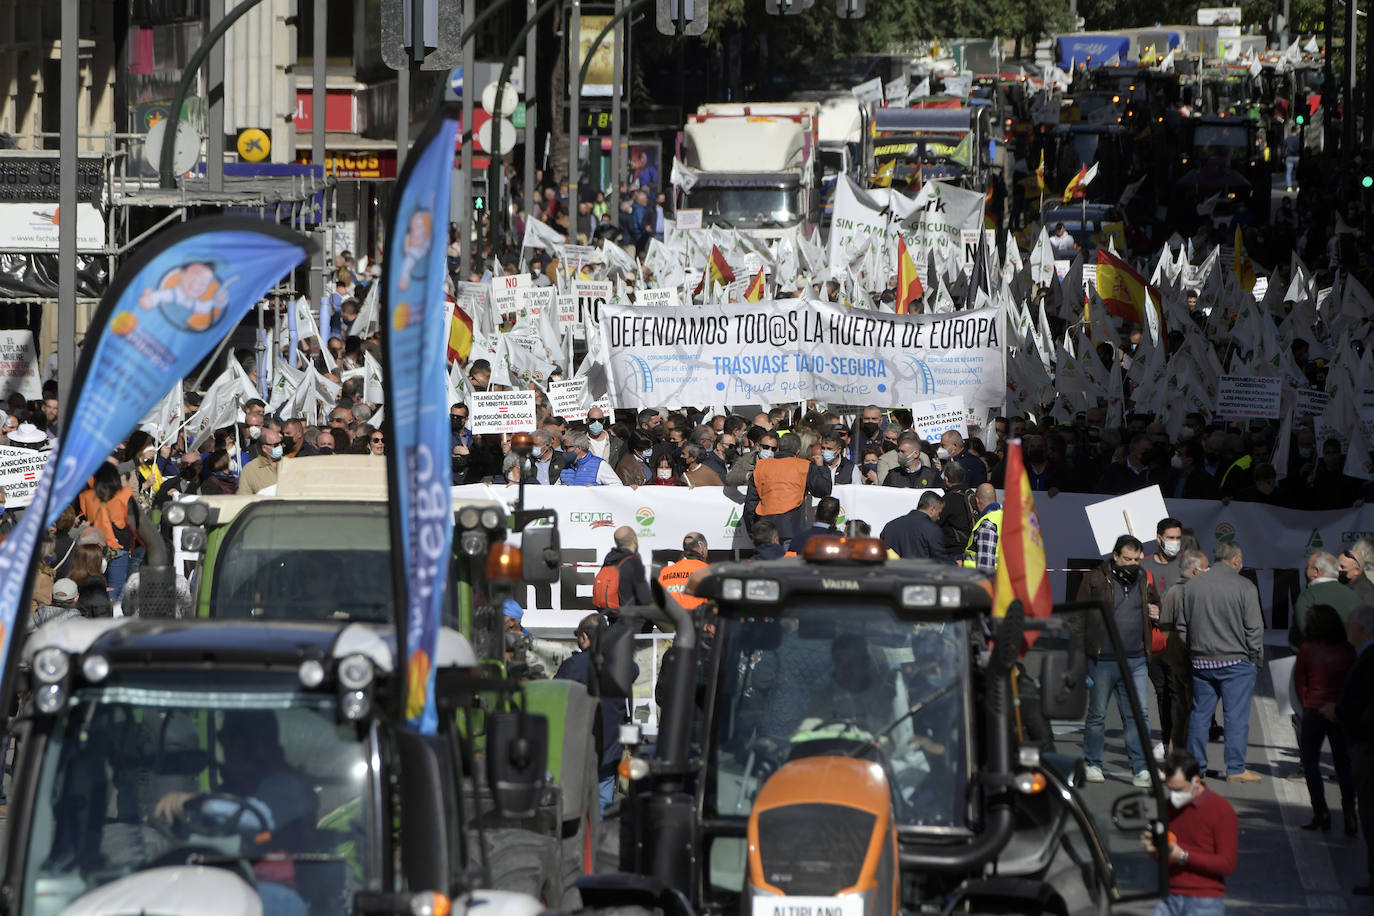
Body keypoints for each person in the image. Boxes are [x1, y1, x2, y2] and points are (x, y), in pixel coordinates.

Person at [1177, 541, 1264, 783]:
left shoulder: (1192, 586)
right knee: (1235, 717)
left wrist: (1194, 650)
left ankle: (1195, 768)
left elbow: (1182, 627)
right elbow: (1254, 628)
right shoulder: (1245, 586)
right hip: (1236, 662)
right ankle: (1235, 768)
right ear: (1236, 560)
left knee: (1199, 715)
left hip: (1201, 662)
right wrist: (1255, 658)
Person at [1077, 534, 1160, 786]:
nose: (1132, 564)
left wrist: (1157, 610)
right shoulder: (1095, 579)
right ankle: (1093, 762)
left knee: (1139, 714)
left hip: (1135, 660)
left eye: (1136, 559)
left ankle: (1141, 768)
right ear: (1115, 556)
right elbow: (1079, 617)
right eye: (1127, 558)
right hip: (1103, 660)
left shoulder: (1144, 578)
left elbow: (1155, 603)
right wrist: (1079, 656)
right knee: (1098, 714)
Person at [555, 614, 632, 817]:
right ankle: (598, 841)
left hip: (579, 748)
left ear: (585, 637)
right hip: (610, 748)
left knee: (574, 805)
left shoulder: (573, 665)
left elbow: (557, 698)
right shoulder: (619, 664)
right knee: (603, 803)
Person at [1145, 750, 1238, 915]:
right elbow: (1165, 855)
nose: (1174, 796)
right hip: (1169, 896)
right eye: (1171, 789)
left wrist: (1184, 856)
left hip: (1204, 901)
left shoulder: (1221, 810)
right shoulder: (1167, 807)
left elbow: (1227, 864)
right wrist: (1154, 849)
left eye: (1179, 790)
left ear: (1196, 781)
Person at [1294, 604, 1357, 834]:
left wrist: (1307, 703)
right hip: (1339, 710)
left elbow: (1300, 682)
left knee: (1310, 762)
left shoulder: (1307, 649)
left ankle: (1320, 812)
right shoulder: (1347, 649)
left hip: (1314, 709)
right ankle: (1350, 812)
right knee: (1343, 764)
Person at [1158, 550, 1210, 753]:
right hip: (1187, 657)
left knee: (1182, 706)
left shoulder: (1172, 591)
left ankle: (1177, 750)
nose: (1209, 571)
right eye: (1206, 568)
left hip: (1173, 657)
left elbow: (1164, 623)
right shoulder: (1189, 592)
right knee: (1193, 707)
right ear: (1196, 571)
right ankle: (1187, 754)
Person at [743, 432, 832, 547]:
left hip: (765, 528)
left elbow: (751, 504)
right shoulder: (804, 466)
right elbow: (823, 490)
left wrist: (752, 530)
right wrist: (821, 467)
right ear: (798, 451)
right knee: (788, 564)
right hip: (792, 528)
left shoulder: (761, 466)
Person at [1145, 518, 1185, 757]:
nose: (1175, 543)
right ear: (1159, 538)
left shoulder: (1184, 566)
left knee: (1176, 691)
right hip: (1152, 639)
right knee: (1161, 691)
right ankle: (1166, 736)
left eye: (1178, 538)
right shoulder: (1144, 565)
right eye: (1170, 538)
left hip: (1177, 639)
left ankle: (1175, 741)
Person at [78, 463, 138, 601]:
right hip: (119, 544)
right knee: (117, 587)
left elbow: (86, 517)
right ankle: (112, 615)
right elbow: (132, 521)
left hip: (95, 545)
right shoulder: (125, 494)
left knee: (95, 584)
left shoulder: (85, 496)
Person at [1290, 551, 1358, 650]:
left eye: (1307, 567)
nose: (1305, 570)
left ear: (1316, 571)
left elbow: (1305, 634)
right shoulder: (1353, 595)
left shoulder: (1308, 597)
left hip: (1317, 661)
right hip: (1351, 659)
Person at [881, 491, 950, 561]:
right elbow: (941, 561)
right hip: (921, 571)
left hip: (892, 571)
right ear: (932, 510)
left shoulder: (889, 526)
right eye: (939, 513)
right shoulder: (932, 530)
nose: (939, 518)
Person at [596, 526, 652, 610]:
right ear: (635, 539)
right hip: (630, 617)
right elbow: (644, 598)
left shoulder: (610, 558)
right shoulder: (633, 562)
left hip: (612, 614)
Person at [658, 533, 709, 610]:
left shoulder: (665, 571)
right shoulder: (709, 571)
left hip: (670, 618)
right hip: (696, 619)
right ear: (702, 547)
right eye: (706, 547)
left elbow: (658, 598)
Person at [961, 483, 1000, 574]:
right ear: (996, 499)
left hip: (987, 581)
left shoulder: (988, 524)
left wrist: (963, 564)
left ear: (977, 501)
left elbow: (985, 568)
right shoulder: (1006, 518)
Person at [237, 425, 284, 494]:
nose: (280, 447)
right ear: (264, 448)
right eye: (276, 445)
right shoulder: (250, 470)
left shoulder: (290, 463)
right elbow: (244, 497)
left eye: (281, 443)